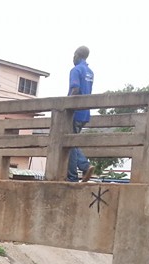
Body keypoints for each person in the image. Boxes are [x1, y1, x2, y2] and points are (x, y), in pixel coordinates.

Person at [67, 45, 95, 182]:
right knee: (73, 141)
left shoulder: (76, 70)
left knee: (70, 143)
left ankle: (73, 176)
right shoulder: (90, 72)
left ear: (78, 55)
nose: (73, 57)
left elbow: (75, 89)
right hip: (85, 112)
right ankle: (85, 166)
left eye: (74, 54)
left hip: (74, 112)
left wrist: (65, 106)